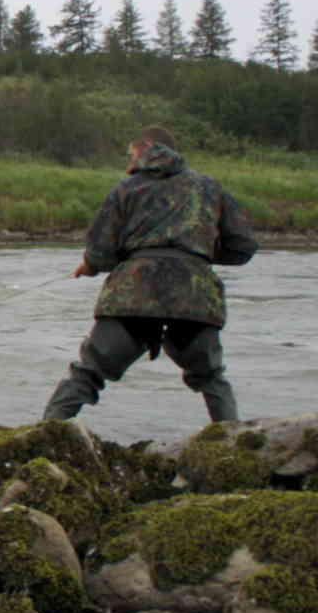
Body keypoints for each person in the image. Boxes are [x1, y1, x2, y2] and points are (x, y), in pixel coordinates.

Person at [41, 125, 258, 422]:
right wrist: (198, 253)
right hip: (195, 298)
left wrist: (91, 266)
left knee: (88, 373)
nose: (129, 161)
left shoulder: (126, 189)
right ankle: (234, 447)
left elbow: (101, 251)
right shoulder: (210, 188)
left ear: (144, 147)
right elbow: (243, 246)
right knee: (211, 378)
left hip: (134, 295)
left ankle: (43, 437)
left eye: (130, 154)